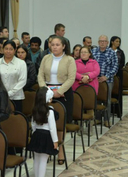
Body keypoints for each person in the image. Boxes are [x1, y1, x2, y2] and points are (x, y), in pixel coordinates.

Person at [38, 36, 76, 164]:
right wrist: (46, 91)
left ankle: (60, 150)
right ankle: (48, 149)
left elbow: (71, 78)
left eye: (57, 45)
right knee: (46, 123)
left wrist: (59, 92)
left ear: (63, 46)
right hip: (47, 94)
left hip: (63, 94)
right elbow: (40, 75)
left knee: (60, 124)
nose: (54, 47)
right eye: (52, 44)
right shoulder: (46, 58)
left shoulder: (69, 60)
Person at [28, 87, 58, 177]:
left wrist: (34, 134)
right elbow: (52, 127)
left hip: (36, 134)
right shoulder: (50, 112)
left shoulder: (34, 110)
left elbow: (33, 125)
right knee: (43, 160)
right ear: (48, 98)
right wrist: (55, 141)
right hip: (46, 136)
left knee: (36, 159)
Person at [92, 35, 118, 127]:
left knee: (107, 100)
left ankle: (107, 119)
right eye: (101, 41)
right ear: (98, 42)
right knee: (97, 99)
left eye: (104, 41)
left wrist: (106, 77)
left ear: (107, 43)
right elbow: (91, 64)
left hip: (108, 80)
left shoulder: (112, 52)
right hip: (95, 80)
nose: (102, 43)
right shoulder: (93, 51)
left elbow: (115, 67)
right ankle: (98, 119)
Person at [0, 40, 27, 112]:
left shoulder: (21, 63)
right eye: (6, 49)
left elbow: (22, 81)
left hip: (16, 97)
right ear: (3, 49)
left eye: (11, 49)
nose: (8, 51)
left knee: (16, 120)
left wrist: (10, 93)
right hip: (0, 97)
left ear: (15, 50)